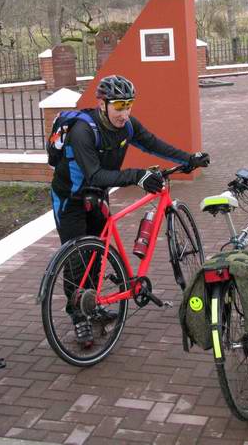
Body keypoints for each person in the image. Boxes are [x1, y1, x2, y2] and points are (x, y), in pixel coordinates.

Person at [50, 74, 210, 345]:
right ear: (103, 104)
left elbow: (153, 143)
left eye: (128, 105)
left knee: (98, 258)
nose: (124, 113)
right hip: (70, 200)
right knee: (76, 262)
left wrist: (188, 157)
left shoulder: (127, 127)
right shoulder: (82, 131)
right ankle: (78, 316)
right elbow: (94, 174)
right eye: (119, 106)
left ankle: (94, 305)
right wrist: (137, 176)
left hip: (97, 197)